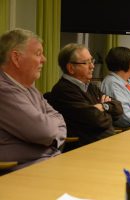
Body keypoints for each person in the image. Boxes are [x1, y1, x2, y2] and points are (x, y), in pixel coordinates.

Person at [0, 29, 67, 172]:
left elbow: (59, 119)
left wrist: (49, 136)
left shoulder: (29, 88)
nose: (44, 59)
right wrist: (50, 136)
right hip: (20, 174)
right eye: (38, 54)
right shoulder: (3, 90)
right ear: (16, 58)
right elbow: (44, 131)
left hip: (46, 163)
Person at [49, 43, 123, 147]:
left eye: (91, 61)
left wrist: (103, 106)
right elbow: (96, 121)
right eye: (86, 63)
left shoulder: (90, 86)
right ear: (71, 68)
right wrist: (109, 113)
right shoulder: (64, 90)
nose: (92, 66)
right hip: (84, 148)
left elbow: (119, 108)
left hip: (105, 143)